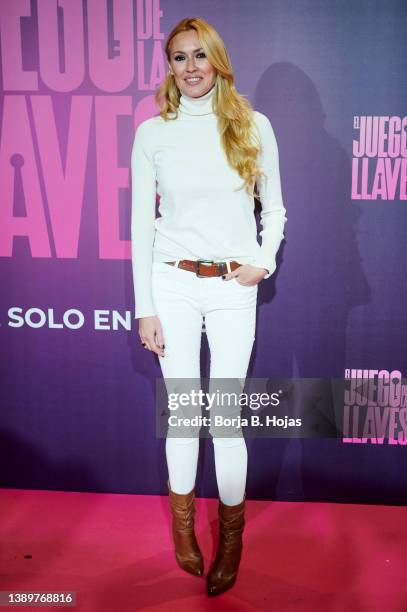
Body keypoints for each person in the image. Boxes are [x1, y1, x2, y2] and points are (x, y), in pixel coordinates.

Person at [131, 17, 287, 597]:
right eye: (178, 58)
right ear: (168, 67)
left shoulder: (254, 126)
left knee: (224, 418)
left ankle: (231, 540)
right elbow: (140, 230)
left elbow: (274, 209)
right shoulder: (152, 134)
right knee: (183, 414)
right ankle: (182, 528)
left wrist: (263, 260)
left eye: (200, 56)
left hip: (231, 289)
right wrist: (145, 307)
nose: (190, 68)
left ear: (218, 61)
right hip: (171, 284)